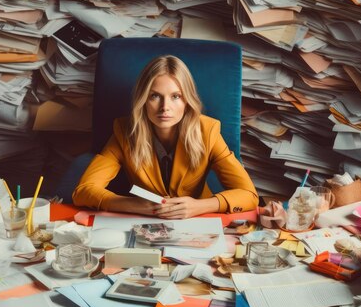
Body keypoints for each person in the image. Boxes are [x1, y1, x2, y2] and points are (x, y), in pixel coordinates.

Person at [72, 55, 258, 219]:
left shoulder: (208, 130)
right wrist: (133, 205)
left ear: (187, 100)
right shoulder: (125, 131)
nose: (165, 107)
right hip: (144, 221)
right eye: (155, 96)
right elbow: (83, 191)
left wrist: (198, 206)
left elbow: (249, 194)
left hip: (196, 221)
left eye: (176, 96)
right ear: (143, 99)